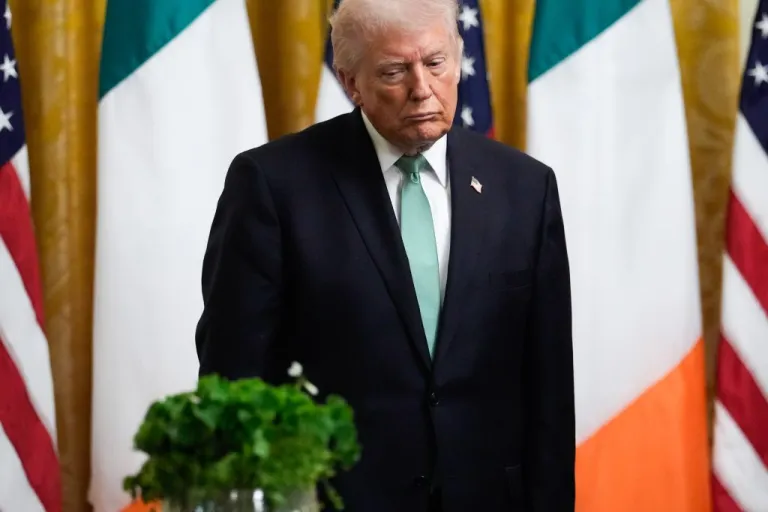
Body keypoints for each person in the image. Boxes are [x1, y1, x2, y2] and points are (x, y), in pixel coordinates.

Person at [195, 0, 575, 510]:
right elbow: (234, 379)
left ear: (458, 56)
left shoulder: (526, 187)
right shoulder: (272, 186)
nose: (422, 88)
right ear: (351, 82)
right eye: (395, 71)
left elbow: (549, 388)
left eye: (437, 64)